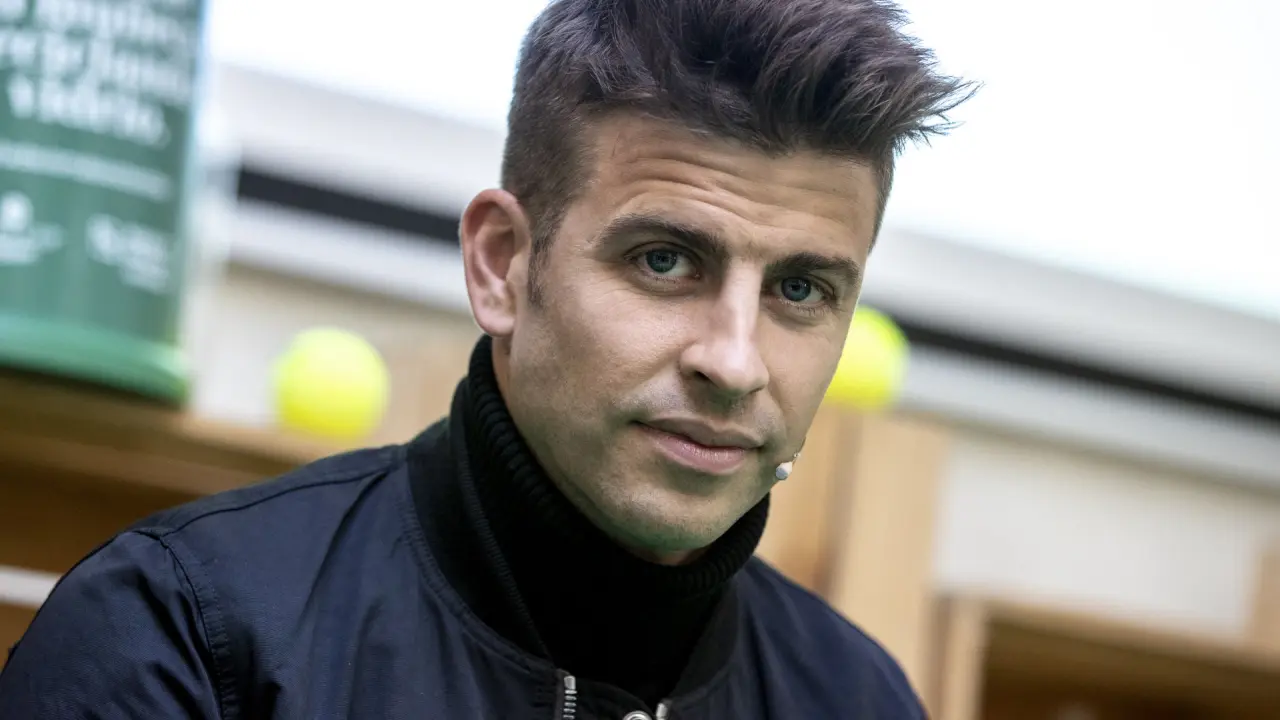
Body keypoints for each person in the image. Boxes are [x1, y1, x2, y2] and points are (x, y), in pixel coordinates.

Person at [0, 0, 970, 717]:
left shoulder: (860, 700)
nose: (733, 360)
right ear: (501, 264)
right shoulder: (180, 639)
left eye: (799, 290)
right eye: (663, 261)